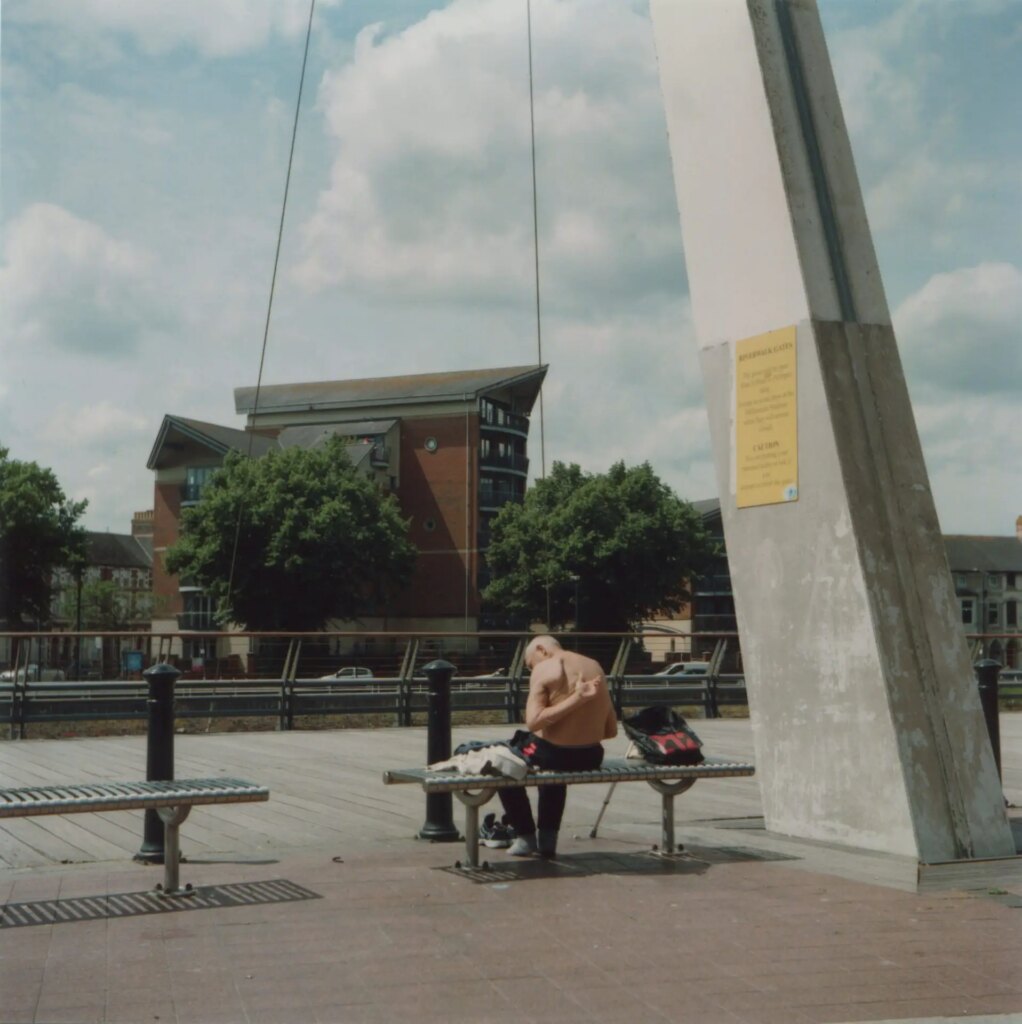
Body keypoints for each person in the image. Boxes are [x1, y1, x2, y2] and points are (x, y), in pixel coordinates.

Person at [499, 635, 617, 858]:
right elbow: (611, 730)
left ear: (541, 650)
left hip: (554, 755)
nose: (531, 669)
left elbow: (533, 722)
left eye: (529, 664)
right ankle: (547, 839)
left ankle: (525, 837)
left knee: (505, 763)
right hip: (592, 755)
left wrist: (576, 699)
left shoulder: (546, 668)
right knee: (549, 766)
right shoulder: (595, 666)